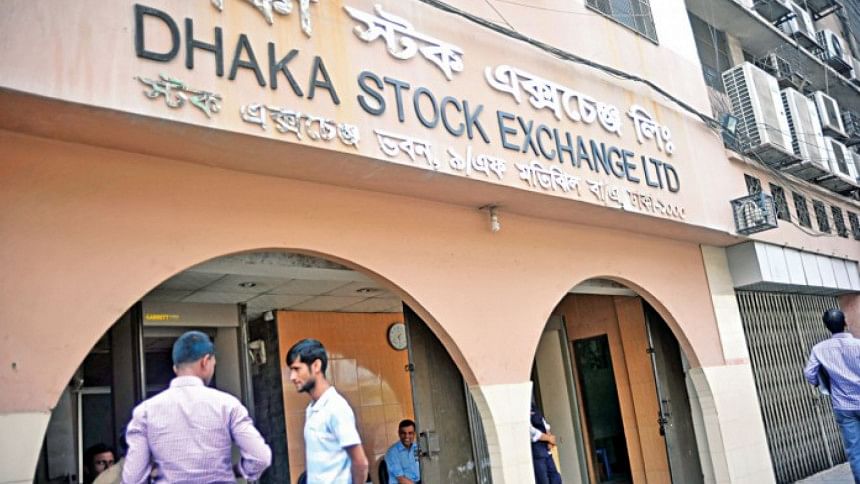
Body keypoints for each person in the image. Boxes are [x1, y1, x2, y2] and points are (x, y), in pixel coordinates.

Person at [122, 331, 272, 483]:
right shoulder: (228, 405)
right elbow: (261, 457)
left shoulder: (145, 412)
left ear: (175, 368)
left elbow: (133, 478)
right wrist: (238, 471)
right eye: (213, 363)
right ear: (205, 361)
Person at [286, 338, 369, 483]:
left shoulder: (336, 407)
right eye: (291, 370)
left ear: (316, 366)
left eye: (297, 369)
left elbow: (360, 463)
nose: (292, 377)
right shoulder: (312, 408)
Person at [805, 308, 860, 481]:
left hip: (843, 407)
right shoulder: (858, 345)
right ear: (845, 323)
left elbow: (809, 373)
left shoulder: (819, 349)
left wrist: (819, 383)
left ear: (826, 326)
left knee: (855, 452)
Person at [530, 402, 562, 484]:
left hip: (547, 451)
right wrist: (548, 438)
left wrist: (550, 439)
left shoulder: (533, 407)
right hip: (537, 453)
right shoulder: (522, 410)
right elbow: (530, 431)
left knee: (556, 478)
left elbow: (545, 424)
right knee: (543, 480)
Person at [384, 419, 420, 484]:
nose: (407, 436)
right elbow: (401, 479)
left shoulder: (417, 447)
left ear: (414, 434)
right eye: (403, 433)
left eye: (410, 433)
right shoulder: (392, 453)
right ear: (399, 433)